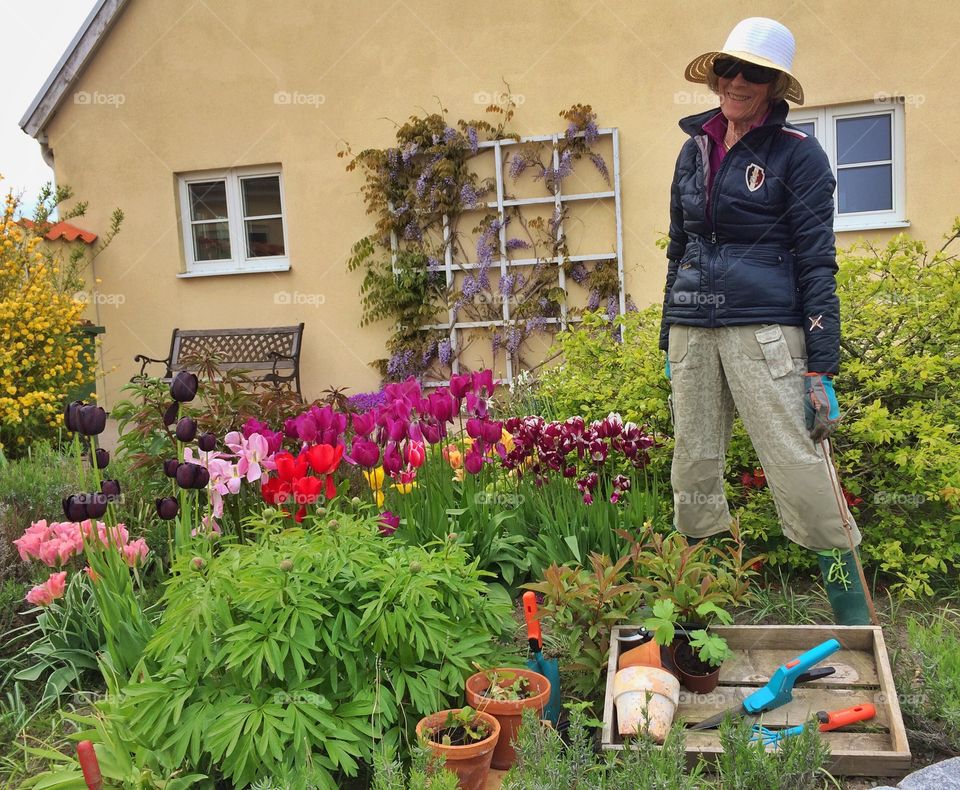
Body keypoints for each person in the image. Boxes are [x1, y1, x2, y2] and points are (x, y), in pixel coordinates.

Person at [659, 17, 870, 624]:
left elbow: (817, 258)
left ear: (775, 85)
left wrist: (820, 364)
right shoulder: (692, 148)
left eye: (754, 74)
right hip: (693, 328)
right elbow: (679, 248)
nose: (737, 83)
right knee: (694, 463)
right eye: (729, 69)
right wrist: (668, 331)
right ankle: (701, 609)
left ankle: (854, 620)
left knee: (797, 462)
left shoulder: (798, 156)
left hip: (767, 330)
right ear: (716, 74)